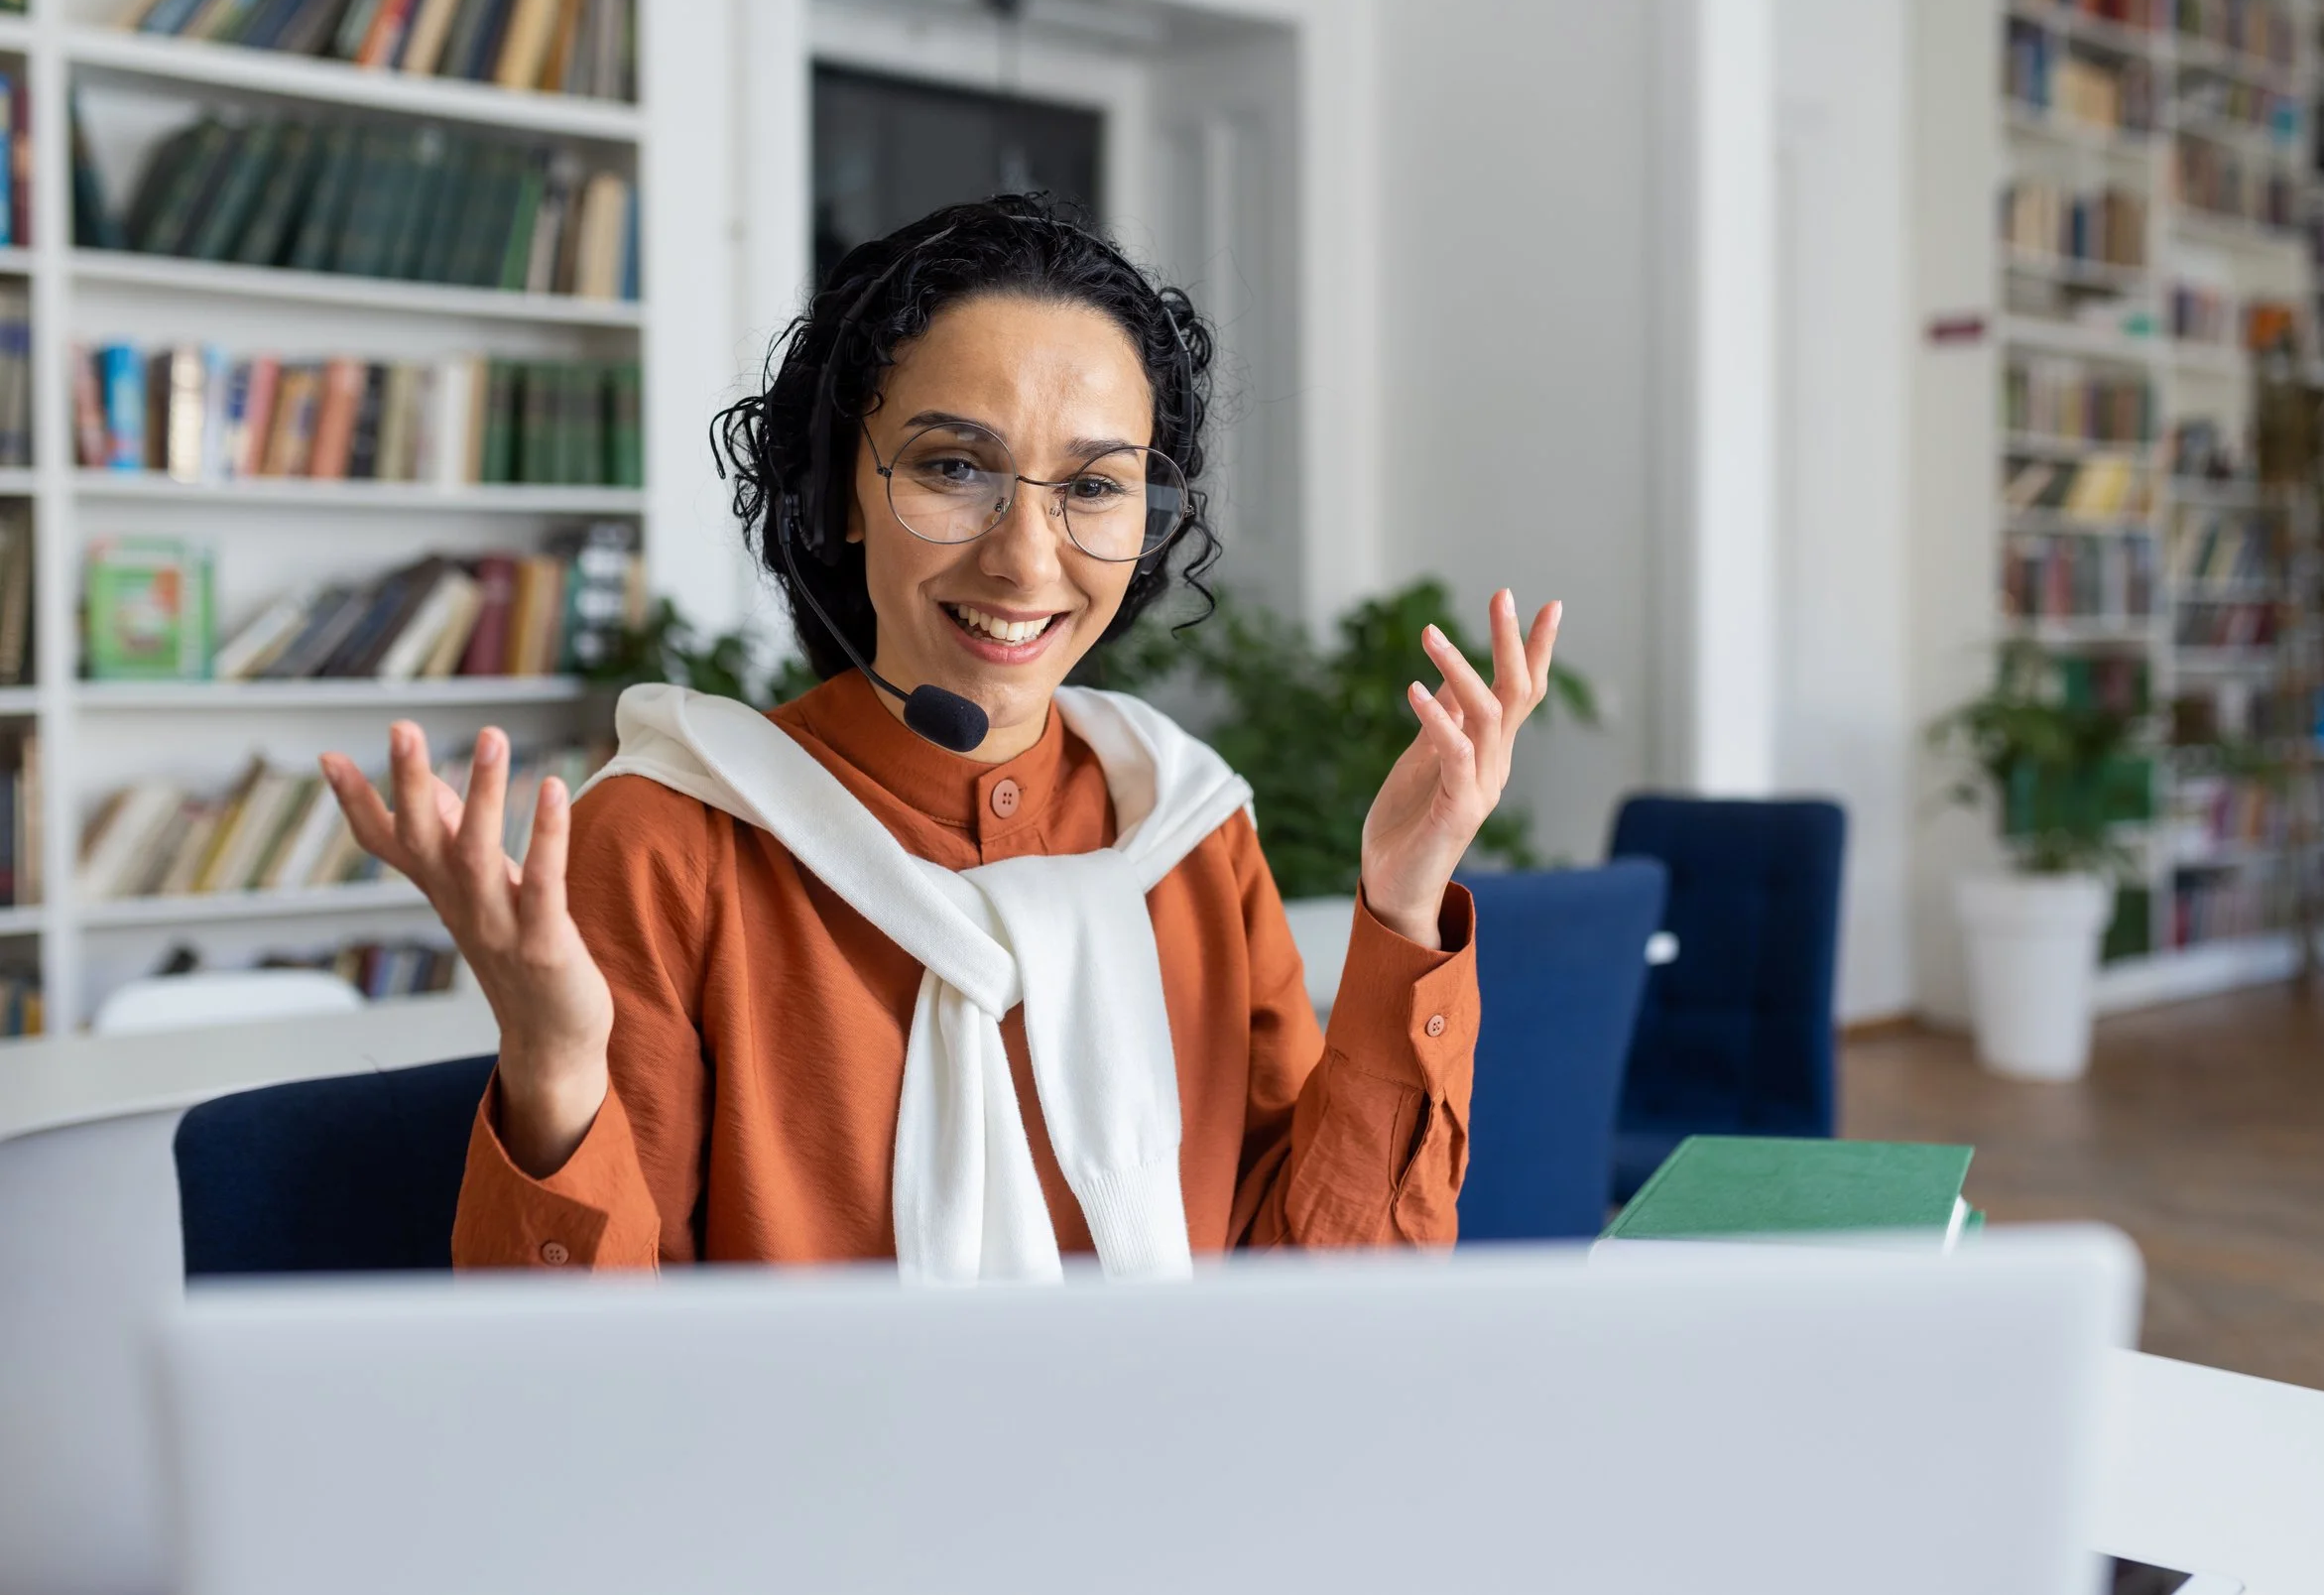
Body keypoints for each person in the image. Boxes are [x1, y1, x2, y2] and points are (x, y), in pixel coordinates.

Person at [319, 193, 1561, 1278]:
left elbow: (1323, 1299)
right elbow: (580, 1403)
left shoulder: (1188, 832)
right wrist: (553, 1066)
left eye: (1092, 485)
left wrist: (1401, 908)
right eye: (954, 466)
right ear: (835, 489)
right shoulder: (664, 844)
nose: (1026, 559)